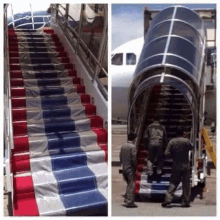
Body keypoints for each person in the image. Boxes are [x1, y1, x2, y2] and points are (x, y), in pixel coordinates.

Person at [162, 126, 193, 208]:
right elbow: (191, 147)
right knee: (186, 185)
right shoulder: (186, 141)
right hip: (185, 165)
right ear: (183, 133)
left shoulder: (172, 141)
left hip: (176, 164)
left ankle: (168, 200)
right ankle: (185, 202)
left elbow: (166, 153)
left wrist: (173, 155)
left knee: (173, 183)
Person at [144, 115, 167, 183]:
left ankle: (150, 173)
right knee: (160, 159)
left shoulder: (150, 127)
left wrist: (146, 144)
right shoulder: (162, 127)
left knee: (150, 159)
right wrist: (164, 146)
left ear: (153, 119)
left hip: (151, 143)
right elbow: (165, 138)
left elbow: (145, 136)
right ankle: (158, 173)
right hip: (159, 143)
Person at [119, 133, 137, 207]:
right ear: (134, 139)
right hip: (130, 168)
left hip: (124, 167)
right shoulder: (133, 147)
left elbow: (120, 157)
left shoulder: (123, 146)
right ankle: (130, 202)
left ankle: (126, 197)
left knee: (128, 184)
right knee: (131, 184)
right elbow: (134, 158)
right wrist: (135, 167)